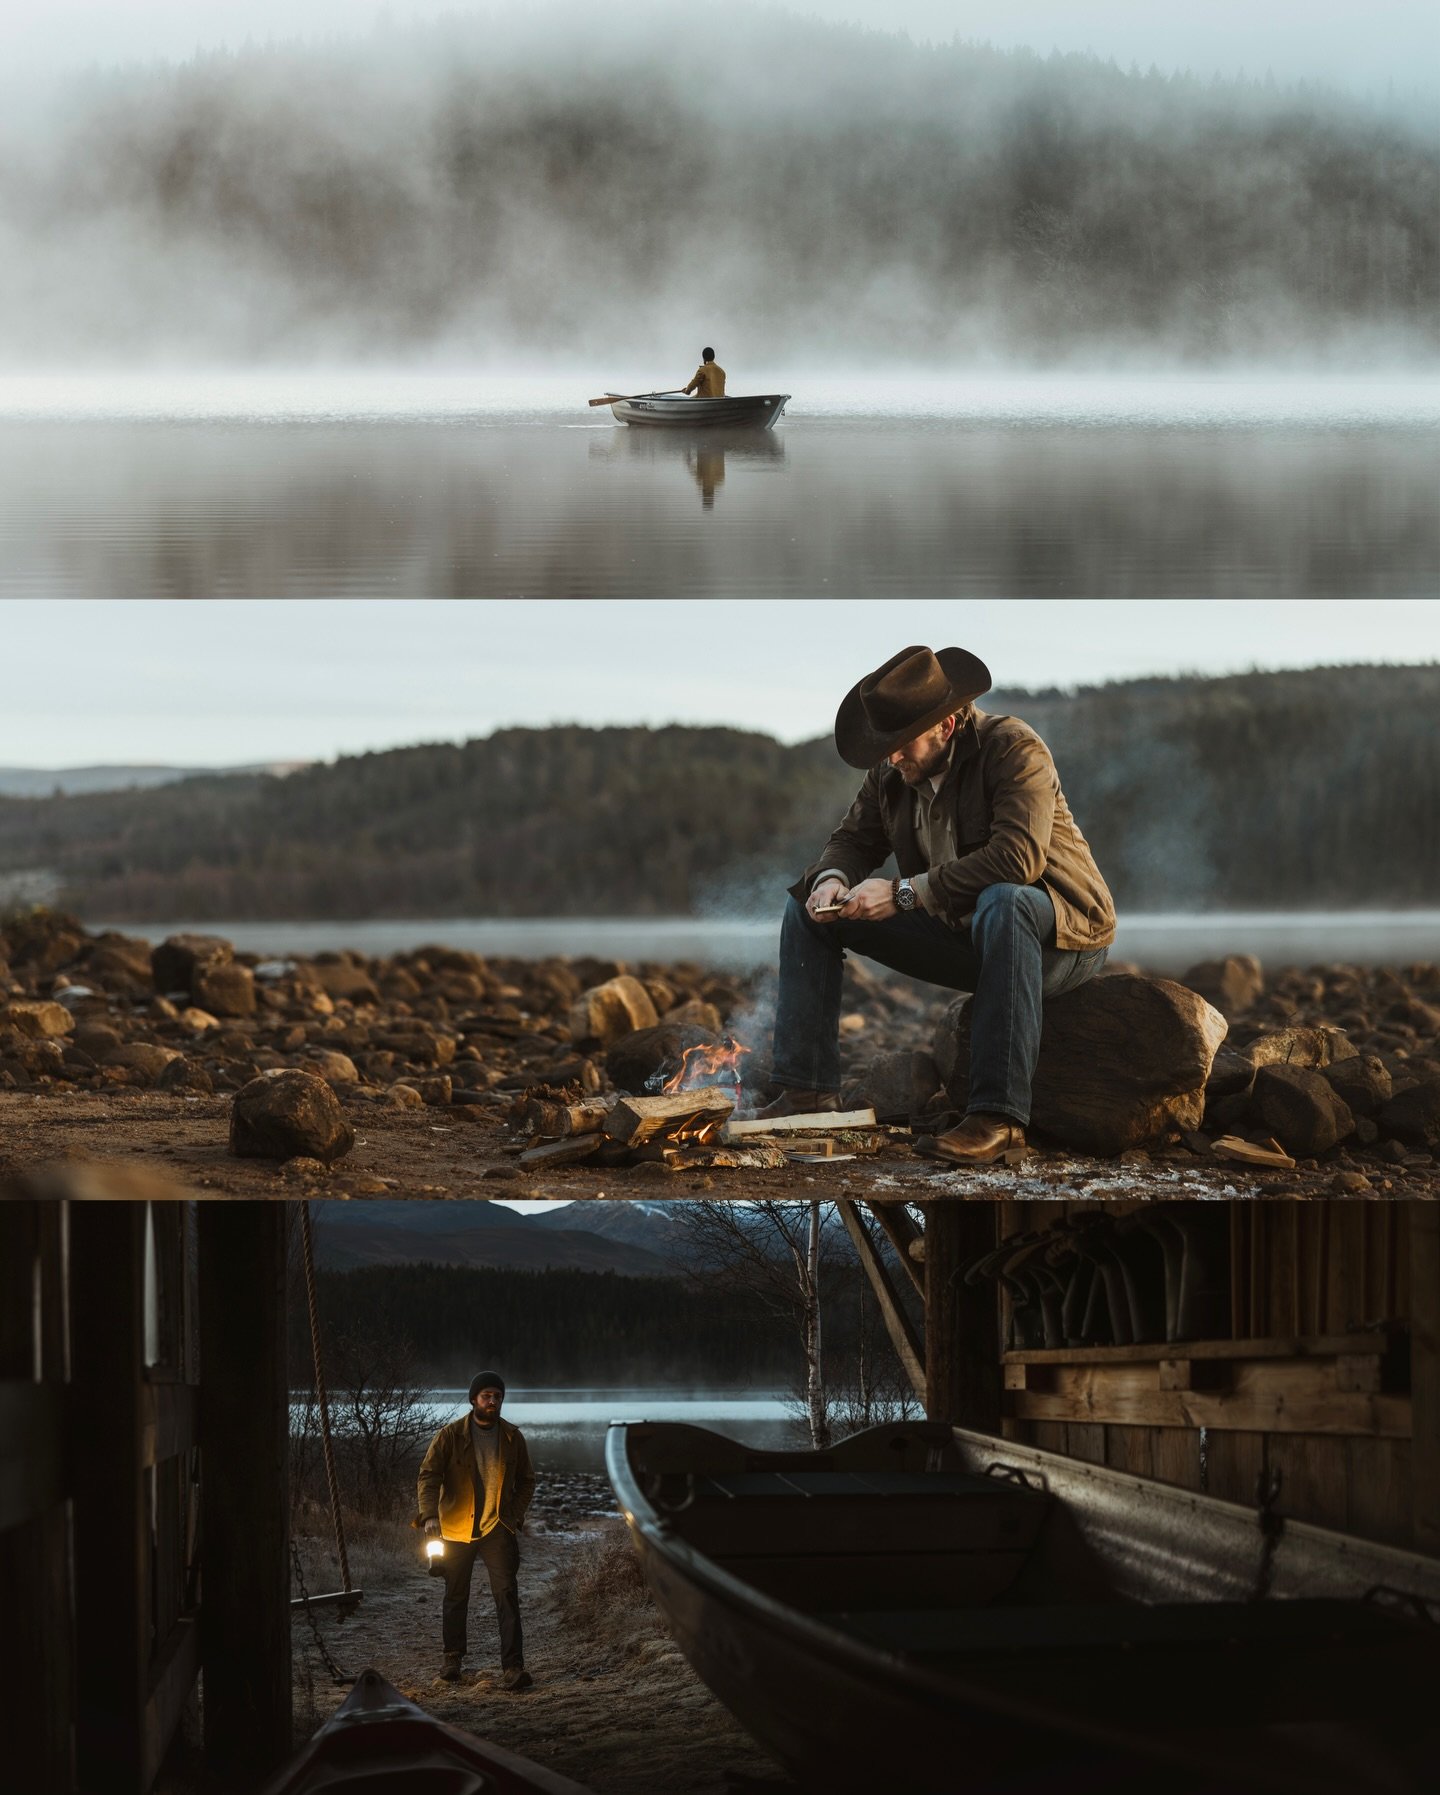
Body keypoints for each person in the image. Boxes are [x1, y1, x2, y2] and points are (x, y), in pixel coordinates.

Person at [758, 644, 1116, 1164]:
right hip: (972, 937)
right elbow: (852, 842)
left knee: (1004, 899)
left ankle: (999, 1119)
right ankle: (807, 1093)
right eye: (886, 745)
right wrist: (832, 882)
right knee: (807, 908)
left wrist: (904, 894)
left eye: (902, 744)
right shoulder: (892, 772)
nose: (891, 756)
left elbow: (1018, 859)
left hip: (1061, 938)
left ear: (946, 726)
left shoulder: (1014, 748)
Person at [414, 1370, 536, 1688]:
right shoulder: (450, 1435)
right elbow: (429, 1475)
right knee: (455, 1595)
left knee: (506, 1594)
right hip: (455, 1528)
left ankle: (513, 1668)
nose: (492, 1401)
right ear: (473, 1399)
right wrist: (429, 1516)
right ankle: (452, 1660)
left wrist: (513, 1516)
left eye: (497, 1396)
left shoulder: (512, 1437)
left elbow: (527, 1481)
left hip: (497, 1526)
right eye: (486, 1396)